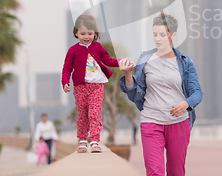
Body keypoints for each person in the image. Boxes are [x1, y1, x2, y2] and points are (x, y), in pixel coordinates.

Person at [119, 13, 203, 176]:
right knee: (154, 172)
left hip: (178, 123)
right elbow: (134, 94)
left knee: (176, 172)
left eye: (163, 35)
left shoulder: (185, 62)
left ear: (173, 35)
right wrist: (128, 75)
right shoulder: (145, 59)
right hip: (151, 121)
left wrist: (186, 103)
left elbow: (197, 92)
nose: (158, 39)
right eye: (155, 34)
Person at [61, 14, 133, 153]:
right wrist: (65, 82)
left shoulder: (98, 47)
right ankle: (82, 140)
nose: (86, 36)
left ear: (95, 33)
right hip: (80, 88)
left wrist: (121, 61)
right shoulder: (73, 50)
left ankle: (94, 141)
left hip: (97, 87)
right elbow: (67, 68)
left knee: (94, 113)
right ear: (76, 33)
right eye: (83, 33)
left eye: (90, 33)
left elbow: (108, 60)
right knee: (82, 114)